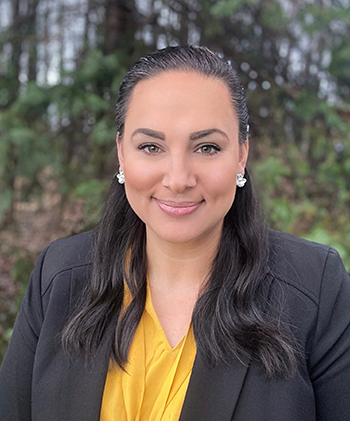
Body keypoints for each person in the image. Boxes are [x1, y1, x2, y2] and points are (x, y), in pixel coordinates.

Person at [0, 45, 349, 421]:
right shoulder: (59, 277)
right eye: (151, 146)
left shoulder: (315, 287)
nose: (178, 179)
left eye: (207, 147)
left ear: (242, 155)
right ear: (121, 153)